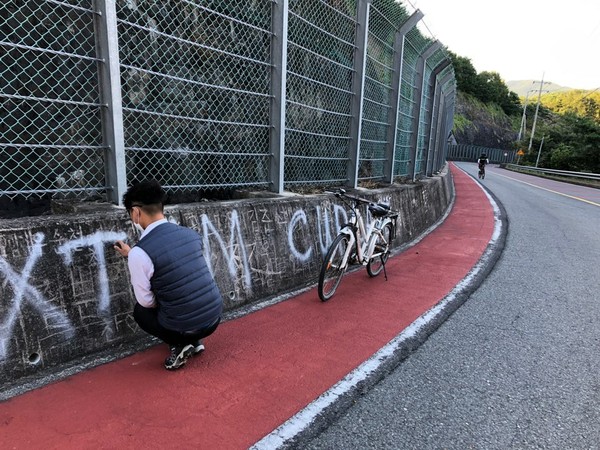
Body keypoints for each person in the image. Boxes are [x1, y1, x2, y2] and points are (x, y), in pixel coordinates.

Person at [114, 180, 223, 370]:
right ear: (161, 207)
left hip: (184, 324)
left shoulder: (140, 253)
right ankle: (195, 341)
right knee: (183, 291)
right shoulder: (190, 234)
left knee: (141, 312)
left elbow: (146, 302)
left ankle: (179, 343)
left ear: (136, 212)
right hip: (214, 318)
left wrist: (134, 256)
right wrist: (132, 254)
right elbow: (173, 261)